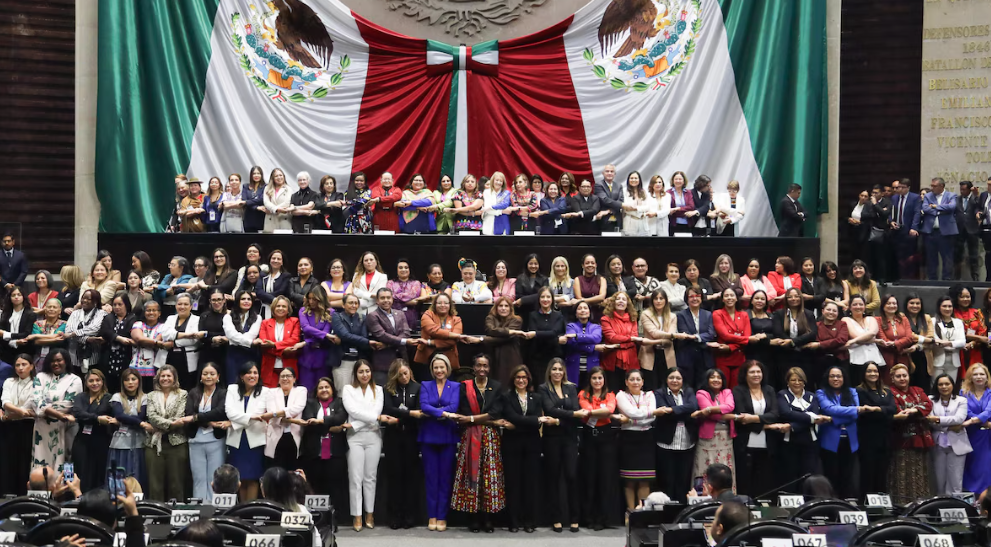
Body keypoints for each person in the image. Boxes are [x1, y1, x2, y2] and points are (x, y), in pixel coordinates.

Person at [452, 354, 506, 533]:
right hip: (470, 438)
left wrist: (473, 418)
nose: (482, 369)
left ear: (489, 368)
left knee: (489, 479)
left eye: (485, 366)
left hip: (490, 438)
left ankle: (488, 519)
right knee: (471, 477)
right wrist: (476, 419)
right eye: (479, 365)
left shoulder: (497, 386)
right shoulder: (464, 387)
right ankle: (473, 519)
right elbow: (463, 413)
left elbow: (495, 412)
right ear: (474, 368)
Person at [342, 360, 392, 531]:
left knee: (370, 477)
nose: (364, 374)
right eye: (361, 371)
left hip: (373, 436)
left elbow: (376, 412)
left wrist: (356, 424)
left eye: (367, 371)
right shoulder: (348, 390)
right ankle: (357, 516)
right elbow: (353, 411)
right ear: (356, 373)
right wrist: (373, 420)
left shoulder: (378, 390)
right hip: (354, 438)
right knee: (355, 478)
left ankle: (369, 514)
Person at [538, 359, 584, 532]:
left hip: (570, 438)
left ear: (564, 372)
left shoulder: (571, 388)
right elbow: (550, 410)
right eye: (554, 369)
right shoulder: (543, 389)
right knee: (554, 478)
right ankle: (556, 518)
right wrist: (569, 414)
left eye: (560, 369)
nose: (557, 372)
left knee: (572, 477)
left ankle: (574, 517)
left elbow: (575, 413)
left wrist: (558, 420)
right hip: (551, 440)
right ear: (549, 371)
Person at [293, 377, 349, 516]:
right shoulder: (310, 404)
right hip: (313, 454)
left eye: (327, 387)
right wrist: (331, 427)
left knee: (335, 487)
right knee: (315, 487)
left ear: (332, 390)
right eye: (321, 388)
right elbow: (308, 420)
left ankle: (334, 517)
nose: (324, 390)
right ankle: (316, 517)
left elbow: (340, 418)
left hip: (335, 453)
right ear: (316, 392)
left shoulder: (340, 403)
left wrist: (320, 421)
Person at [418, 355, 461, 532]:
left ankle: (442, 516)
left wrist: (438, 412)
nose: (439, 371)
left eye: (442, 367)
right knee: (431, 479)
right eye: (436, 368)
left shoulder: (456, 386)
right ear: (432, 369)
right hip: (428, 437)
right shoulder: (425, 385)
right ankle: (432, 515)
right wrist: (444, 414)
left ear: (448, 368)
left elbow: (454, 406)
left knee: (445, 479)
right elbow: (424, 406)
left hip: (448, 437)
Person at [727, 360, 778, 497]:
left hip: (767, 443)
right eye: (752, 372)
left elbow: (774, 414)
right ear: (745, 374)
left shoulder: (769, 390)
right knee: (745, 479)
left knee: (764, 480)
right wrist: (766, 424)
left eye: (758, 371)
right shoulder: (738, 390)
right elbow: (742, 417)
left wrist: (753, 418)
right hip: (745, 441)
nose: (756, 375)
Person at [501, 365, 542, 533]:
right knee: (513, 483)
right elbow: (511, 416)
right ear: (513, 379)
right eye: (518, 377)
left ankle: (529, 521)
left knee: (530, 484)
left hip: (532, 444)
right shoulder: (506, 397)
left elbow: (519, 421)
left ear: (528, 379)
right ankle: (513, 521)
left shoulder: (536, 397)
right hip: (512, 445)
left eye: (524, 377)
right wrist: (534, 421)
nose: (521, 380)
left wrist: (518, 424)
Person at [382, 360, 423, 529]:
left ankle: (409, 515)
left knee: (410, 478)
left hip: (411, 436)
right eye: (400, 374)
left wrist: (402, 416)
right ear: (394, 375)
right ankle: (395, 516)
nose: (404, 377)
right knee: (395, 477)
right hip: (393, 438)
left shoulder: (418, 388)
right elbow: (387, 409)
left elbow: (420, 412)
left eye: (406, 373)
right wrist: (409, 413)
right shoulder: (388, 390)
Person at [31, 349, 83, 472]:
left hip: (64, 427)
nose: (55, 363)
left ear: (66, 361)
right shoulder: (40, 376)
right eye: (52, 361)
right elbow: (35, 400)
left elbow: (68, 404)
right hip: (42, 428)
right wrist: (57, 413)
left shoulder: (75, 379)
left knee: (66, 460)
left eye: (59, 360)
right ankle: (42, 489)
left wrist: (44, 408)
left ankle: (65, 490)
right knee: (41, 461)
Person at [816, 365, 863, 501]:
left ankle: (844, 503)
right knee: (831, 474)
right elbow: (828, 409)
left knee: (847, 475)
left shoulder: (852, 392)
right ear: (827, 378)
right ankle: (831, 503)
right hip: (829, 441)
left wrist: (833, 418)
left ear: (844, 378)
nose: (835, 379)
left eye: (838, 376)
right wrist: (852, 411)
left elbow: (855, 415)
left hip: (850, 441)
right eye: (832, 376)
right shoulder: (821, 393)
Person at [184, 363, 228, 502]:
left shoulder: (223, 393)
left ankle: (212, 507)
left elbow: (220, 412)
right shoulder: (193, 393)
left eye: (212, 374)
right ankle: (199, 506)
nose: (208, 376)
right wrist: (209, 422)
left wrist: (198, 418)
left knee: (214, 477)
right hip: (195, 439)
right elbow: (189, 414)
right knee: (198, 477)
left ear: (218, 376)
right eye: (205, 374)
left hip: (216, 440)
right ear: (200, 377)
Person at [653, 367, 698, 504]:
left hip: (686, 443)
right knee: (667, 480)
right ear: (666, 379)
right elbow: (662, 412)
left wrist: (672, 410)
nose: (675, 381)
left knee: (683, 480)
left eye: (678, 378)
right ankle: (667, 512)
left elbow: (693, 406)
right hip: (666, 443)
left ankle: (681, 510)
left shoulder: (689, 392)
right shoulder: (659, 393)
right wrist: (683, 413)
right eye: (671, 377)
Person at [889, 363, 934, 500]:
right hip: (900, 438)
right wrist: (917, 411)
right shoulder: (889, 392)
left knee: (919, 471)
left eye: (904, 375)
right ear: (892, 378)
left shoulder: (917, 390)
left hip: (920, 438)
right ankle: (901, 503)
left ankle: (920, 503)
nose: (902, 378)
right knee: (902, 473)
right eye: (898, 376)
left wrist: (914, 410)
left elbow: (928, 404)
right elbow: (897, 410)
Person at [145, 365, 189, 501]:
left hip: (177, 443)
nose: (165, 379)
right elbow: (151, 416)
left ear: (174, 378)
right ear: (158, 378)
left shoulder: (183, 394)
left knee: (176, 484)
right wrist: (170, 424)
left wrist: (161, 425)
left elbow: (180, 416)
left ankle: (177, 517)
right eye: (162, 376)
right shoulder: (151, 395)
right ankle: (156, 517)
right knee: (155, 485)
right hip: (154, 444)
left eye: (168, 376)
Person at [225, 362, 268, 501]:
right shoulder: (232, 389)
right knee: (240, 477)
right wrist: (250, 417)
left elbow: (259, 413)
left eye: (255, 373)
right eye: (249, 373)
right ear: (242, 376)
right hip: (237, 439)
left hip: (255, 439)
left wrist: (234, 423)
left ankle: (250, 509)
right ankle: (242, 510)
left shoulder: (264, 392)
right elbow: (230, 412)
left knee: (253, 476)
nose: (252, 375)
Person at [776, 367, 826, 487]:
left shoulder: (811, 396)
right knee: (790, 475)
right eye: (793, 380)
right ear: (787, 381)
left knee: (809, 475)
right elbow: (786, 413)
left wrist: (792, 425)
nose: (797, 383)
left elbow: (811, 416)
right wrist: (811, 418)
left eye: (800, 380)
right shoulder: (783, 395)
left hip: (810, 442)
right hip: (790, 442)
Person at [854, 361, 895, 498]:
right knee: (868, 473)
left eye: (875, 371)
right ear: (864, 374)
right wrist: (882, 411)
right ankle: (866, 503)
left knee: (882, 473)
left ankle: (881, 503)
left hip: (885, 437)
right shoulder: (859, 391)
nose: (873, 374)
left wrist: (876, 409)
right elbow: (866, 413)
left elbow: (892, 409)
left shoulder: (886, 390)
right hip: (867, 437)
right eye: (869, 371)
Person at [415, 293, 478, 380]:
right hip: (428, 356)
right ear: (435, 304)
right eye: (439, 303)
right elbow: (433, 331)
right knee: (428, 385)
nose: (442, 305)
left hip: (449, 357)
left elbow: (453, 341)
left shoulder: (457, 320)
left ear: (450, 305)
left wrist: (430, 342)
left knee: (448, 386)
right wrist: (454, 335)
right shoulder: (427, 314)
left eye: (446, 303)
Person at [69, 369, 113, 492]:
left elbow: (99, 411)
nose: (95, 383)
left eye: (98, 380)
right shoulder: (81, 396)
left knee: (98, 473)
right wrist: (97, 418)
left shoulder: (108, 398)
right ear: (86, 383)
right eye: (91, 381)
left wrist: (87, 417)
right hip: (82, 440)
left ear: (103, 382)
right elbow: (77, 412)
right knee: (80, 471)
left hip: (101, 440)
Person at [366, 288, 420, 386]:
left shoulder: (400, 313)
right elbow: (382, 336)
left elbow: (406, 333)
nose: (386, 300)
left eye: (388, 297)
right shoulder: (372, 316)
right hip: (383, 363)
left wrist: (387, 345)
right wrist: (404, 341)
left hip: (401, 360)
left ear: (392, 299)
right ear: (377, 301)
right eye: (382, 298)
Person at [928, 373, 971, 495]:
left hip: (957, 444)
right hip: (938, 444)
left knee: (956, 480)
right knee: (939, 479)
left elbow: (959, 419)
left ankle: (956, 507)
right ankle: (940, 507)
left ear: (953, 385)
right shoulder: (930, 400)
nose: (944, 386)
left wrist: (938, 420)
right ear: (936, 386)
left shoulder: (961, 400)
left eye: (947, 384)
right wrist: (950, 425)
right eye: (940, 384)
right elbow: (929, 421)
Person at [1, 354, 37, 496]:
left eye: (24, 364)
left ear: (31, 366)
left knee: (24, 461)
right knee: (7, 460)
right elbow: (5, 401)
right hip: (8, 428)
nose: (20, 368)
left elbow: (31, 406)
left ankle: (23, 494)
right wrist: (21, 411)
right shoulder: (10, 381)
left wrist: (7, 415)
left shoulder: (36, 383)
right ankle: (6, 494)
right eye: (17, 365)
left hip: (27, 427)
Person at [692, 368, 735, 485]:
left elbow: (730, 406)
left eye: (719, 377)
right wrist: (733, 417)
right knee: (706, 468)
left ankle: (725, 499)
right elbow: (712, 417)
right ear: (707, 380)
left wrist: (709, 409)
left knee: (725, 468)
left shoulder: (727, 392)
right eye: (712, 377)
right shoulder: (701, 393)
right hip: (708, 439)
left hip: (725, 437)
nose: (716, 380)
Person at [109, 368, 150, 485]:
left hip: (139, 443)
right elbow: (119, 415)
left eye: (133, 379)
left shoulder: (145, 398)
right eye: (127, 380)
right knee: (119, 478)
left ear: (139, 381)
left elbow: (142, 416)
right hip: (119, 444)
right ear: (122, 382)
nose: (130, 382)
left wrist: (123, 420)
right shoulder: (117, 397)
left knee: (137, 476)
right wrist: (140, 423)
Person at [261, 367, 306, 470]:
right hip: (275, 436)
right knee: (276, 471)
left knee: (292, 472)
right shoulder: (271, 392)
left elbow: (297, 408)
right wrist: (295, 420)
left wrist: (275, 414)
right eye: (282, 376)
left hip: (294, 436)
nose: (285, 378)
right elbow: (271, 411)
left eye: (288, 376)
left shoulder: (301, 390)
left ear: (294, 379)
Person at [771, 288, 818, 387]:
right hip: (785, 354)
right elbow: (778, 332)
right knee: (784, 382)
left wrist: (793, 342)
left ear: (801, 298)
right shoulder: (779, 314)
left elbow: (812, 333)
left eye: (796, 296)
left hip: (804, 354)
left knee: (805, 382)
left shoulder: (808, 314)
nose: (793, 299)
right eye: (790, 297)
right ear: (786, 299)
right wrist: (791, 344)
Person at [332, 293, 376, 391]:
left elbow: (362, 337)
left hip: (358, 361)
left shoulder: (362, 317)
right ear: (343, 305)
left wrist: (348, 339)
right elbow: (345, 335)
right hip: (342, 361)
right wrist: (365, 341)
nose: (354, 305)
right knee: (342, 392)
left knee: (359, 392)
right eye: (351, 303)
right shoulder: (336, 316)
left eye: (356, 303)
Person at [675, 287, 717, 389]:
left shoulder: (708, 314)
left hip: (704, 357)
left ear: (701, 298)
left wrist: (695, 337)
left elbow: (711, 334)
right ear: (687, 299)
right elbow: (685, 335)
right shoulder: (681, 315)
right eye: (691, 296)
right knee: (688, 387)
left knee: (704, 387)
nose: (695, 299)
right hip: (687, 356)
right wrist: (705, 342)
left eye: (697, 296)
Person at [257, 295, 300, 389]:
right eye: (278, 306)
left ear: (288, 309)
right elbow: (264, 343)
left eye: (284, 306)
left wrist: (274, 345)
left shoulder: (294, 321)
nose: (281, 308)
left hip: (289, 365)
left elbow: (294, 340)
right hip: (269, 367)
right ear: (273, 308)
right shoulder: (265, 323)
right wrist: (283, 351)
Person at [526, 287, 567, 384]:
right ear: (538, 299)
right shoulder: (532, 315)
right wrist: (556, 339)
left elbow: (554, 332)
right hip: (537, 358)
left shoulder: (558, 315)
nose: (545, 299)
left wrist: (536, 334)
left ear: (552, 299)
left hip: (554, 356)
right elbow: (538, 337)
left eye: (548, 297)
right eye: (542, 297)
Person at [961, 364, 991, 494]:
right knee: (970, 467)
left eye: (981, 374)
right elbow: (966, 411)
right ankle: (971, 501)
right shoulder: (963, 393)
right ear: (970, 377)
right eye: (975, 374)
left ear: (987, 376)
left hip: (987, 437)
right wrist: (982, 422)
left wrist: (973, 421)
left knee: (985, 467)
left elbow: (989, 411)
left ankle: (984, 499)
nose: (979, 377)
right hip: (970, 435)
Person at [921, 177, 958, 280]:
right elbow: (925, 208)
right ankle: (932, 279)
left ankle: (946, 280)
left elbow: (952, 207)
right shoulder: (928, 196)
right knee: (931, 257)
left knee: (947, 257)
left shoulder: (951, 195)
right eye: (931, 186)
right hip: (931, 231)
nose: (932, 188)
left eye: (934, 186)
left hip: (946, 232)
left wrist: (935, 206)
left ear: (941, 186)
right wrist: (940, 210)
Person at [713, 288, 751, 389]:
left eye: (732, 295)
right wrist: (743, 340)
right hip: (723, 357)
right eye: (726, 296)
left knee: (737, 388)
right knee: (722, 388)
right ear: (722, 299)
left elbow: (747, 337)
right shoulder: (717, 313)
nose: (729, 298)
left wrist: (730, 347)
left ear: (736, 298)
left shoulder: (744, 315)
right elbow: (725, 336)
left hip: (739, 357)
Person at [639, 290, 677, 391]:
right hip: (650, 352)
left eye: (661, 298)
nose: (658, 301)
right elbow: (654, 333)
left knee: (665, 384)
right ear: (652, 301)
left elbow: (670, 336)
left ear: (666, 300)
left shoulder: (672, 316)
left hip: (667, 353)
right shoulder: (645, 314)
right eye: (656, 299)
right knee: (651, 384)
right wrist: (674, 335)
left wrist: (671, 336)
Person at [222, 291, 261, 386]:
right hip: (233, 355)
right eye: (243, 299)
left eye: (249, 299)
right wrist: (251, 342)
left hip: (250, 354)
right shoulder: (228, 317)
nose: (246, 301)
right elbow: (231, 335)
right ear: (237, 301)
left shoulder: (258, 317)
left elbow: (252, 334)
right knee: (233, 384)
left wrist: (235, 340)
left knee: (249, 384)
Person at [843, 295, 883, 386]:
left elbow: (873, 332)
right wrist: (875, 341)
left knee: (875, 385)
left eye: (861, 304)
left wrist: (854, 341)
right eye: (855, 304)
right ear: (849, 307)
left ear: (865, 306)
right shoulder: (845, 320)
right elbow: (855, 335)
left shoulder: (871, 318)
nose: (858, 307)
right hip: (856, 358)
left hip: (874, 357)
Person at [484, 297, 523, 388]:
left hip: (510, 356)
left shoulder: (517, 320)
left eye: (506, 306)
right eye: (500, 306)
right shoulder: (490, 318)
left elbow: (507, 339)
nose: (503, 308)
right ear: (496, 307)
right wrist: (509, 331)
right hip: (493, 355)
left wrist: (483, 339)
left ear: (510, 308)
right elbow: (491, 330)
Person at [876, 294, 914, 378]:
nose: (892, 306)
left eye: (894, 303)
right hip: (886, 358)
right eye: (888, 303)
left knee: (903, 381)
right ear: (883, 306)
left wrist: (894, 343)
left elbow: (909, 338)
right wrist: (900, 344)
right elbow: (884, 340)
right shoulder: (877, 320)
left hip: (903, 357)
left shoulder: (903, 319)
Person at [814, 302, 850, 390]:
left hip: (840, 360)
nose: (831, 312)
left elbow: (841, 340)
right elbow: (816, 340)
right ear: (822, 311)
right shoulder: (816, 325)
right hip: (821, 361)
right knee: (822, 386)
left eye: (834, 311)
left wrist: (821, 344)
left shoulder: (842, 324)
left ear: (838, 313)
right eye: (828, 309)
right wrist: (833, 343)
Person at [564, 301, 602, 386]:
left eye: (585, 308)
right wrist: (593, 348)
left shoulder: (596, 326)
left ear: (589, 312)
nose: (582, 310)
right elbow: (572, 342)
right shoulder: (571, 326)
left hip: (591, 365)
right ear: (576, 314)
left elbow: (596, 338)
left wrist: (577, 336)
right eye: (579, 308)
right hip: (574, 366)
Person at [932, 295, 966, 383]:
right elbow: (934, 339)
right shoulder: (933, 321)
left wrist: (947, 343)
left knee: (951, 385)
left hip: (953, 361)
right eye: (944, 306)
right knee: (936, 385)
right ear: (939, 307)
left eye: (950, 306)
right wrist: (954, 343)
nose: (947, 309)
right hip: (937, 359)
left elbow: (962, 342)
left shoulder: (958, 322)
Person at [952, 284, 986, 372]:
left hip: (975, 351)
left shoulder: (977, 313)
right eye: (962, 297)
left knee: (975, 375)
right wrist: (978, 338)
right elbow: (956, 333)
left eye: (968, 296)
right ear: (956, 298)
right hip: (957, 351)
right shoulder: (951, 313)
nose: (965, 299)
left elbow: (983, 333)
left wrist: (972, 343)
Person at [904, 293, 934, 389]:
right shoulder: (901, 317)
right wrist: (924, 339)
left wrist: (917, 346)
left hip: (924, 356)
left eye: (918, 303)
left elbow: (931, 337)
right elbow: (908, 335)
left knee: (924, 387)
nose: (915, 306)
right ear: (906, 304)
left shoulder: (927, 318)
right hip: (907, 355)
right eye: (912, 303)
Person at [0, 287, 36, 364]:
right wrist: (14, 342)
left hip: (25, 351)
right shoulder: (5, 313)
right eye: (13, 295)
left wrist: (6, 334)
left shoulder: (30, 314)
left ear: (23, 297)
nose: (16, 297)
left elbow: (26, 334)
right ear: (10, 298)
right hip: (7, 352)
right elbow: (1, 334)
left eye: (19, 295)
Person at [387, 259, 425, 330]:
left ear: (409, 269)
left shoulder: (416, 283)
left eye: (406, 267)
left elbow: (413, 295)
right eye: (400, 268)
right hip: (393, 315)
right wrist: (408, 302)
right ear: (396, 270)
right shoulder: (390, 283)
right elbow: (389, 296)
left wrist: (396, 298)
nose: (403, 269)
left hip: (411, 317)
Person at [956, 180, 982, 280]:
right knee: (958, 255)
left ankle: (975, 278)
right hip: (959, 231)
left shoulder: (975, 199)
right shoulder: (957, 199)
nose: (962, 191)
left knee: (973, 255)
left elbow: (979, 206)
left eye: (964, 189)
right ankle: (956, 278)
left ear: (969, 190)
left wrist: (976, 194)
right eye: (961, 189)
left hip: (972, 230)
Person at [352, 251, 388, 317]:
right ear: (363, 263)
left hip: (376, 311)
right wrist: (371, 295)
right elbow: (355, 292)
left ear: (376, 262)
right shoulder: (356, 275)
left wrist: (362, 302)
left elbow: (380, 294)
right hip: (359, 311)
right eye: (366, 260)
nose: (369, 262)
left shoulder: (383, 277)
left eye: (371, 260)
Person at [620, 171, 656, 237]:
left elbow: (648, 207)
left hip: (643, 223)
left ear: (639, 180)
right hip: (629, 222)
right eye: (631, 178)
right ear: (628, 180)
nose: (634, 180)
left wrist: (636, 208)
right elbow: (625, 208)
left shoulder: (644, 191)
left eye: (636, 178)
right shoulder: (624, 191)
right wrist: (640, 210)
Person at [745, 291, 774, 372]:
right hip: (752, 352)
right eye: (757, 298)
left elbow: (777, 333)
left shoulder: (771, 315)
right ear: (751, 301)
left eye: (762, 299)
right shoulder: (745, 315)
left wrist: (766, 336)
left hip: (770, 353)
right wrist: (769, 341)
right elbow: (748, 335)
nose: (759, 301)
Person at [514, 254, 548, 321]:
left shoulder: (544, 279)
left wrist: (523, 300)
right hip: (523, 313)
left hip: (539, 312)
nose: (533, 266)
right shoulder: (520, 278)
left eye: (536, 264)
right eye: (531, 263)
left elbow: (543, 295)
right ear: (527, 264)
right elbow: (518, 297)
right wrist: (533, 298)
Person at [574, 254, 607, 320]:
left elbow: (602, 297)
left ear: (596, 265)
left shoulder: (601, 279)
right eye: (587, 263)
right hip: (583, 313)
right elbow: (579, 298)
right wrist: (596, 301)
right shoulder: (577, 279)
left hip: (599, 313)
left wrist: (584, 300)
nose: (590, 265)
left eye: (592, 263)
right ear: (583, 265)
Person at [593, 164, 623, 232]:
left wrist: (608, 211)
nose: (609, 173)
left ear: (615, 174)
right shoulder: (598, 185)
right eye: (607, 171)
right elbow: (605, 200)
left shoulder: (619, 186)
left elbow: (621, 201)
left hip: (617, 220)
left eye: (612, 171)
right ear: (603, 173)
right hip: (603, 221)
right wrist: (620, 205)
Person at [262, 168, 292, 233]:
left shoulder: (288, 188)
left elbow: (287, 203)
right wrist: (275, 209)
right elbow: (266, 202)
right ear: (273, 178)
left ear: (284, 176)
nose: (279, 177)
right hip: (270, 219)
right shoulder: (267, 188)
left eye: (280, 175)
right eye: (276, 176)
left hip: (283, 218)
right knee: (269, 241)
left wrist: (274, 209)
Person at [666, 171, 696, 236]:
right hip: (673, 223)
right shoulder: (668, 192)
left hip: (687, 223)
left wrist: (677, 209)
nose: (678, 181)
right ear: (673, 180)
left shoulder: (688, 192)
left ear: (683, 181)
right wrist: (684, 211)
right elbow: (668, 209)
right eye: (676, 179)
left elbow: (691, 207)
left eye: (680, 179)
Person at [0, 233, 28, 301]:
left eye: (9, 241)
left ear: (13, 242)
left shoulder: (21, 255)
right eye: (4, 241)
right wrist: (5, 284)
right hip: (1, 288)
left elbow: (24, 271)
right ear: (1, 242)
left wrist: (15, 284)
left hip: (18, 288)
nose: (6, 243)